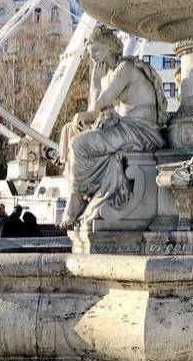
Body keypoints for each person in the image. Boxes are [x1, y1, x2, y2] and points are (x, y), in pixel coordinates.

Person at [59, 24, 167, 228]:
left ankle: (76, 200)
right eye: (90, 54)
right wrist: (95, 81)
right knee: (71, 132)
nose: (93, 58)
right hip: (128, 127)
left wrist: (96, 84)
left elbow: (97, 108)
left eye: (96, 51)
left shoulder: (124, 69)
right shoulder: (111, 74)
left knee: (78, 144)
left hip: (141, 130)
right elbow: (96, 109)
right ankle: (80, 194)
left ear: (109, 48)